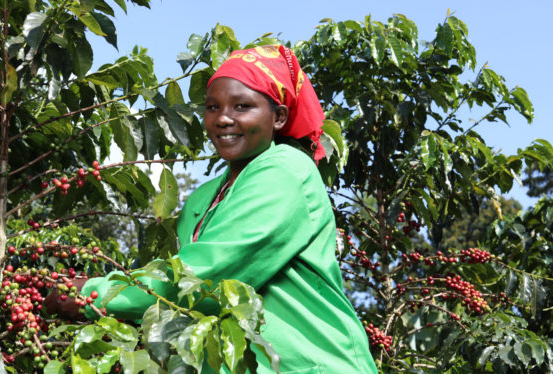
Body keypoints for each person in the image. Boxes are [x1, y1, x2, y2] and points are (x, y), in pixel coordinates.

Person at [79, 45, 377, 373]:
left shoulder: (286, 170)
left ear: (278, 117)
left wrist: (96, 294)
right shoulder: (202, 198)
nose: (223, 118)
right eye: (212, 107)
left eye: (242, 106)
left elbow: (209, 274)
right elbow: (185, 293)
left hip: (310, 364)